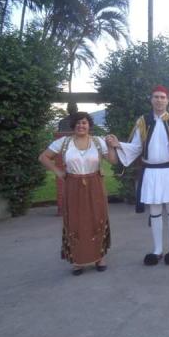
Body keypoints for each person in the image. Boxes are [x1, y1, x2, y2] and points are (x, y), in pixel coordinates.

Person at [106, 85, 169, 266]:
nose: (159, 100)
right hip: (151, 172)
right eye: (156, 97)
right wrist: (118, 144)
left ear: (168, 100)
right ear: (151, 100)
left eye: (162, 97)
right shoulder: (143, 121)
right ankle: (157, 250)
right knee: (154, 211)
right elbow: (136, 147)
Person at [39, 112, 118, 276]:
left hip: (95, 183)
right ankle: (77, 260)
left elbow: (112, 161)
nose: (81, 126)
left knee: (97, 218)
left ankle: (99, 257)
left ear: (89, 125)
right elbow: (44, 157)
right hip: (73, 185)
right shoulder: (63, 142)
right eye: (77, 123)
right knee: (75, 221)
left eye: (84, 123)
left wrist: (111, 146)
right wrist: (59, 172)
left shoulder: (98, 142)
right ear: (73, 125)